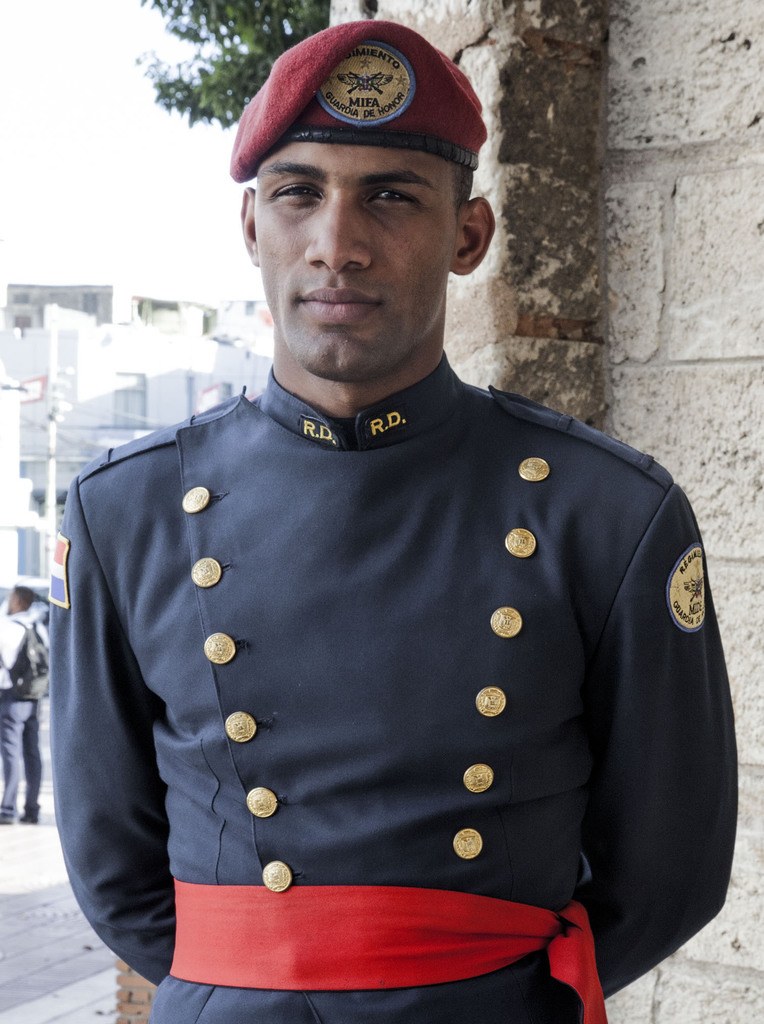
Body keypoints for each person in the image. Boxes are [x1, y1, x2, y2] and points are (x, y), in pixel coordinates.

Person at [49, 19, 737, 1024]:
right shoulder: (127, 513)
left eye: (390, 195)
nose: (336, 243)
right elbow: (112, 864)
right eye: (298, 193)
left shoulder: (608, 515)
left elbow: (669, 869)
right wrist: (265, 976)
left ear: (469, 236)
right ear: (252, 225)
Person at [0, 586, 46, 824]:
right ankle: (32, 809)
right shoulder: (38, 626)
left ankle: (7, 809)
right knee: (32, 753)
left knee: (10, 754)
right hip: (33, 697)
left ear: (18, 601)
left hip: (10, 697)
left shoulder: (7, 628)